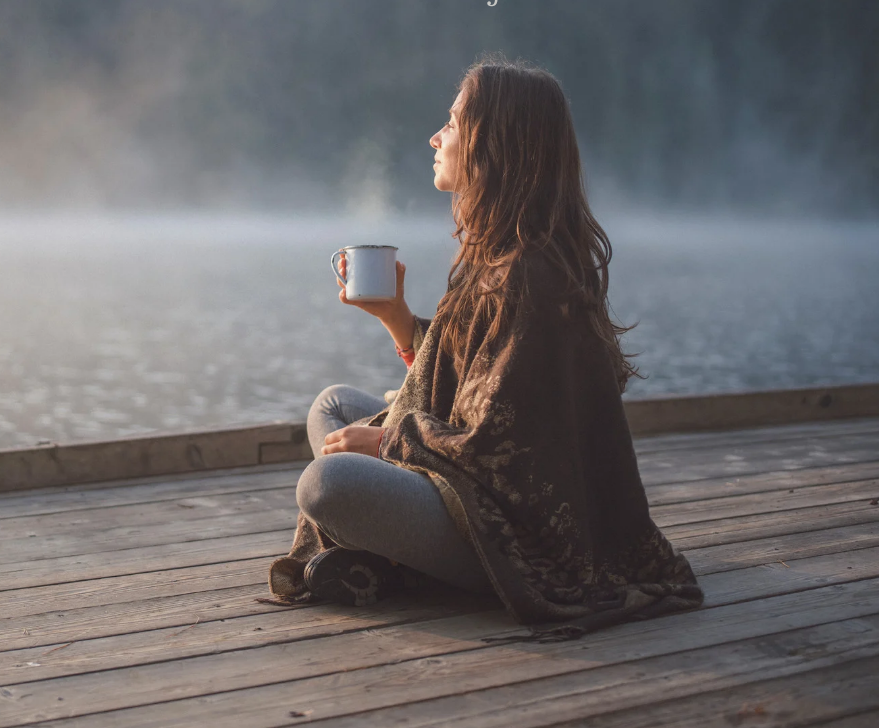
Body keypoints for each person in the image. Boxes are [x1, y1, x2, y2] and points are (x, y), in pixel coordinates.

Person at [266, 55, 703, 634]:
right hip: (469, 485)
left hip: (517, 534)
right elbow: (468, 379)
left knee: (327, 483)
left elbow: (503, 446)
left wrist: (389, 441)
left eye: (451, 122)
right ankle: (384, 547)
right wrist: (396, 317)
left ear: (494, 143)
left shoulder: (531, 274)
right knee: (334, 406)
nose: (435, 136)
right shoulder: (500, 254)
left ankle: (395, 559)